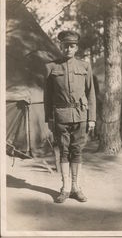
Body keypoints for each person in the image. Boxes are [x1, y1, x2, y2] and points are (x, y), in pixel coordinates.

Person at [44, 30, 96, 203]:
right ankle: (65, 188)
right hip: (60, 116)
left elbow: (91, 94)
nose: (68, 49)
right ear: (61, 46)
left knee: (77, 150)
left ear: (76, 48)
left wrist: (92, 118)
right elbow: (47, 96)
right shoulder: (51, 67)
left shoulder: (85, 66)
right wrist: (49, 118)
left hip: (81, 115)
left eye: (72, 46)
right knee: (64, 152)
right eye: (65, 46)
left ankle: (76, 187)